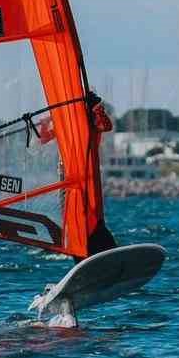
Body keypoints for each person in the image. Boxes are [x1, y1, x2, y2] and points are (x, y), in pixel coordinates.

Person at [82, 91, 117, 257]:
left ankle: (96, 240)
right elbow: (43, 138)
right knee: (80, 209)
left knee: (93, 208)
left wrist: (97, 109)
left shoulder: (94, 120)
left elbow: (107, 126)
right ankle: (81, 242)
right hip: (70, 172)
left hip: (89, 171)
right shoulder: (70, 120)